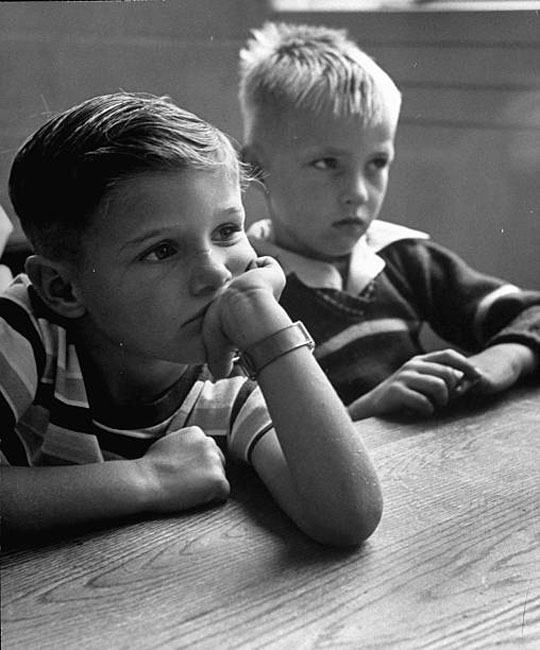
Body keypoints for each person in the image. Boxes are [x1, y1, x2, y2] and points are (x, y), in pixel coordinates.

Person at [0, 92, 382, 546]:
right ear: (62, 289)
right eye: (161, 251)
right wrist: (150, 480)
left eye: (226, 231)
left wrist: (271, 332)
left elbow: (348, 518)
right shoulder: (22, 330)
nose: (216, 272)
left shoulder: (227, 381)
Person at [239, 22, 540, 419]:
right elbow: (258, 446)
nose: (359, 192)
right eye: (327, 163)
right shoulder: (248, 292)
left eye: (377, 163)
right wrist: (370, 408)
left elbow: (531, 314)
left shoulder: (402, 258)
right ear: (258, 169)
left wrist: (502, 361)